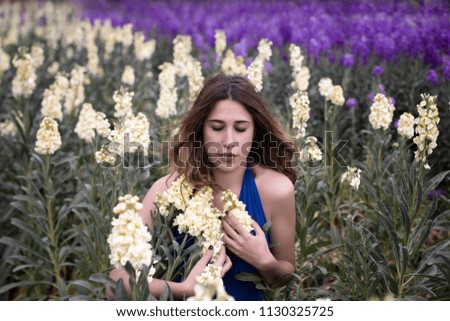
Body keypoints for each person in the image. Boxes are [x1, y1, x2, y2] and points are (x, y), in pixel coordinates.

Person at [109, 73, 298, 300]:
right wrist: (183, 290)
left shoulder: (276, 190)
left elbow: (285, 276)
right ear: (201, 130)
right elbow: (115, 283)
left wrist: (263, 260)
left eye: (240, 128)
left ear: (255, 131)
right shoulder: (169, 191)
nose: (228, 142)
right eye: (217, 127)